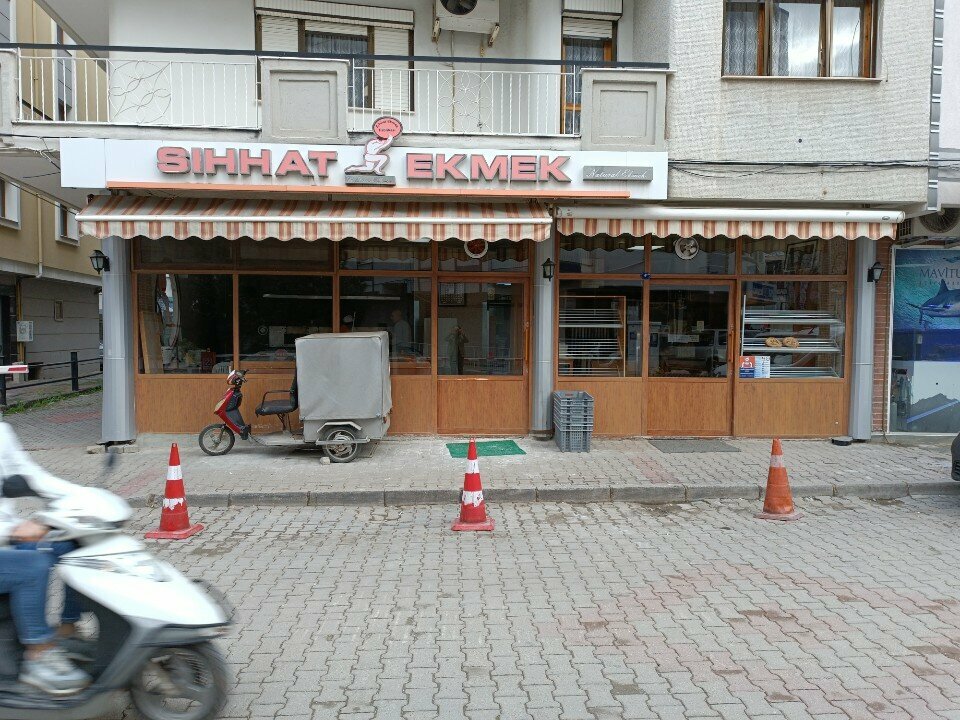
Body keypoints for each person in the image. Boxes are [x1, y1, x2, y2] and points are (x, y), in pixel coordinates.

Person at [0, 421, 91, 695]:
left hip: (7, 538)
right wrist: (11, 530)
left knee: (71, 544)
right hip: (5, 536)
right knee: (33, 567)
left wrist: (83, 499)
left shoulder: (1, 432)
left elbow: (31, 475)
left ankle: (67, 631)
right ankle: (38, 655)